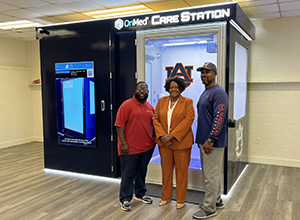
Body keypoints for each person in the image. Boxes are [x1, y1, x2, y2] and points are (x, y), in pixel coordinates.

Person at [192, 62, 228, 219]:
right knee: (212, 174)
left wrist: (211, 138)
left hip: (212, 142)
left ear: (215, 74)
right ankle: (216, 201)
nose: (204, 75)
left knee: (210, 176)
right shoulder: (207, 91)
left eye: (207, 72)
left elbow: (219, 118)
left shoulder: (218, 93)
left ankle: (209, 209)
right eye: (202, 72)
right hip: (205, 141)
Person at [152, 77, 195, 210]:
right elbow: (155, 118)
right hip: (164, 143)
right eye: (171, 87)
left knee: (181, 172)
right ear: (167, 88)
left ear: (181, 88)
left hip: (181, 143)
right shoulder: (162, 101)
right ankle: (166, 196)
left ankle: (181, 199)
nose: (174, 89)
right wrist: (163, 136)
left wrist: (172, 136)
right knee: (166, 171)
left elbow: (189, 120)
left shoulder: (187, 102)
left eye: (176, 87)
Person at [115, 81, 155, 211]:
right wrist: (123, 143)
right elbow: (119, 125)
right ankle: (125, 198)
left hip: (147, 147)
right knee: (128, 173)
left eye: (145, 89)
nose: (142, 91)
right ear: (134, 91)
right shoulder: (126, 105)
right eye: (139, 89)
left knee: (141, 172)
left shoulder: (150, 107)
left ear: (148, 92)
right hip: (130, 147)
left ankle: (140, 193)